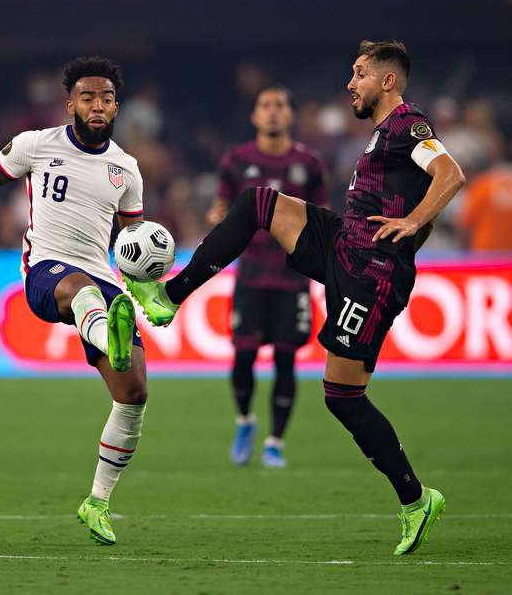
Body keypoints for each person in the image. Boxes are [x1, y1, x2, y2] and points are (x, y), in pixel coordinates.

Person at [127, 40, 465, 555]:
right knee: (259, 201)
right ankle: (171, 296)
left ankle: (417, 499)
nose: (350, 83)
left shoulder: (408, 126)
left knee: (341, 395)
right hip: (345, 243)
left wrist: (414, 222)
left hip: (373, 274)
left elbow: (451, 174)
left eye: (359, 74)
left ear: (388, 81)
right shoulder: (380, 137)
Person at [0, 57, 145, 546]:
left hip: (104, 280)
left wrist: (152, 291)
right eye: (88, 97)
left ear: (116, 105)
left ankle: (97, 502)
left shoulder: (125, 168)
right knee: (80, 290)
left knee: (133, 396)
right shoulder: (35, 144)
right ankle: (112, 335)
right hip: (47, 270)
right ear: (71, 104)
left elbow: (133, 248)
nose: (97, 105)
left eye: (106, 97)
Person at [206, 84, 329, 468]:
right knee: (243, 356)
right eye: (265, 105)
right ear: (254, 116)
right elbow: (219, 207)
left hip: (292, 277)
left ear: (290, 115)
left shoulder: (309, 163)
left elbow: (322, 215)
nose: (272, 112)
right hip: (252, 275)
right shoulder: (237, 160)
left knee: (286, 359)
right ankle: (245, 421)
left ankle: (275, 441)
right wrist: (220, 220)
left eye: (279, 105)